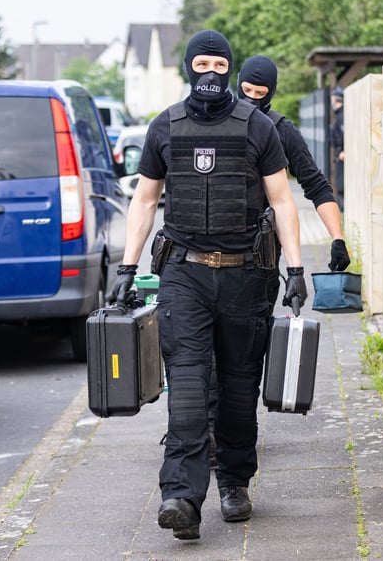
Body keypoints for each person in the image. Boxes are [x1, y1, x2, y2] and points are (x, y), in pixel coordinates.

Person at [109, 29, 308, 542]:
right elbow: (145, 201)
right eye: (202, 63)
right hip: (184, 272)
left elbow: (284, 201)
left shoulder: (259, 127)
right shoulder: (164, 127)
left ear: (231, 68)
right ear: (187, 69)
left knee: (239, 391)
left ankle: (235, 484)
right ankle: (180, 496)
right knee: (191, 389)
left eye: (221, 65)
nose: (212, 74)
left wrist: (297, 269)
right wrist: (128, 268)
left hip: (246, 273)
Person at [238, 54, 352, 302]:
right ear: (237, 84)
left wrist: (337, 238)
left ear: (271, 93)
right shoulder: (214, 123)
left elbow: (317, 185)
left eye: (260, 93)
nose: (252, 98)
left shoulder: (283, 131)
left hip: (260, 252)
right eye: (246, 90)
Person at [329, 85, 345, 208]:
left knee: (341, 186)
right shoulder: (340, 115)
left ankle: (343, 210)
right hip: (339, 154)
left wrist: (342, 150)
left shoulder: (341, 116)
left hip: (342, 154)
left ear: (334, 100)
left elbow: (343, 135)